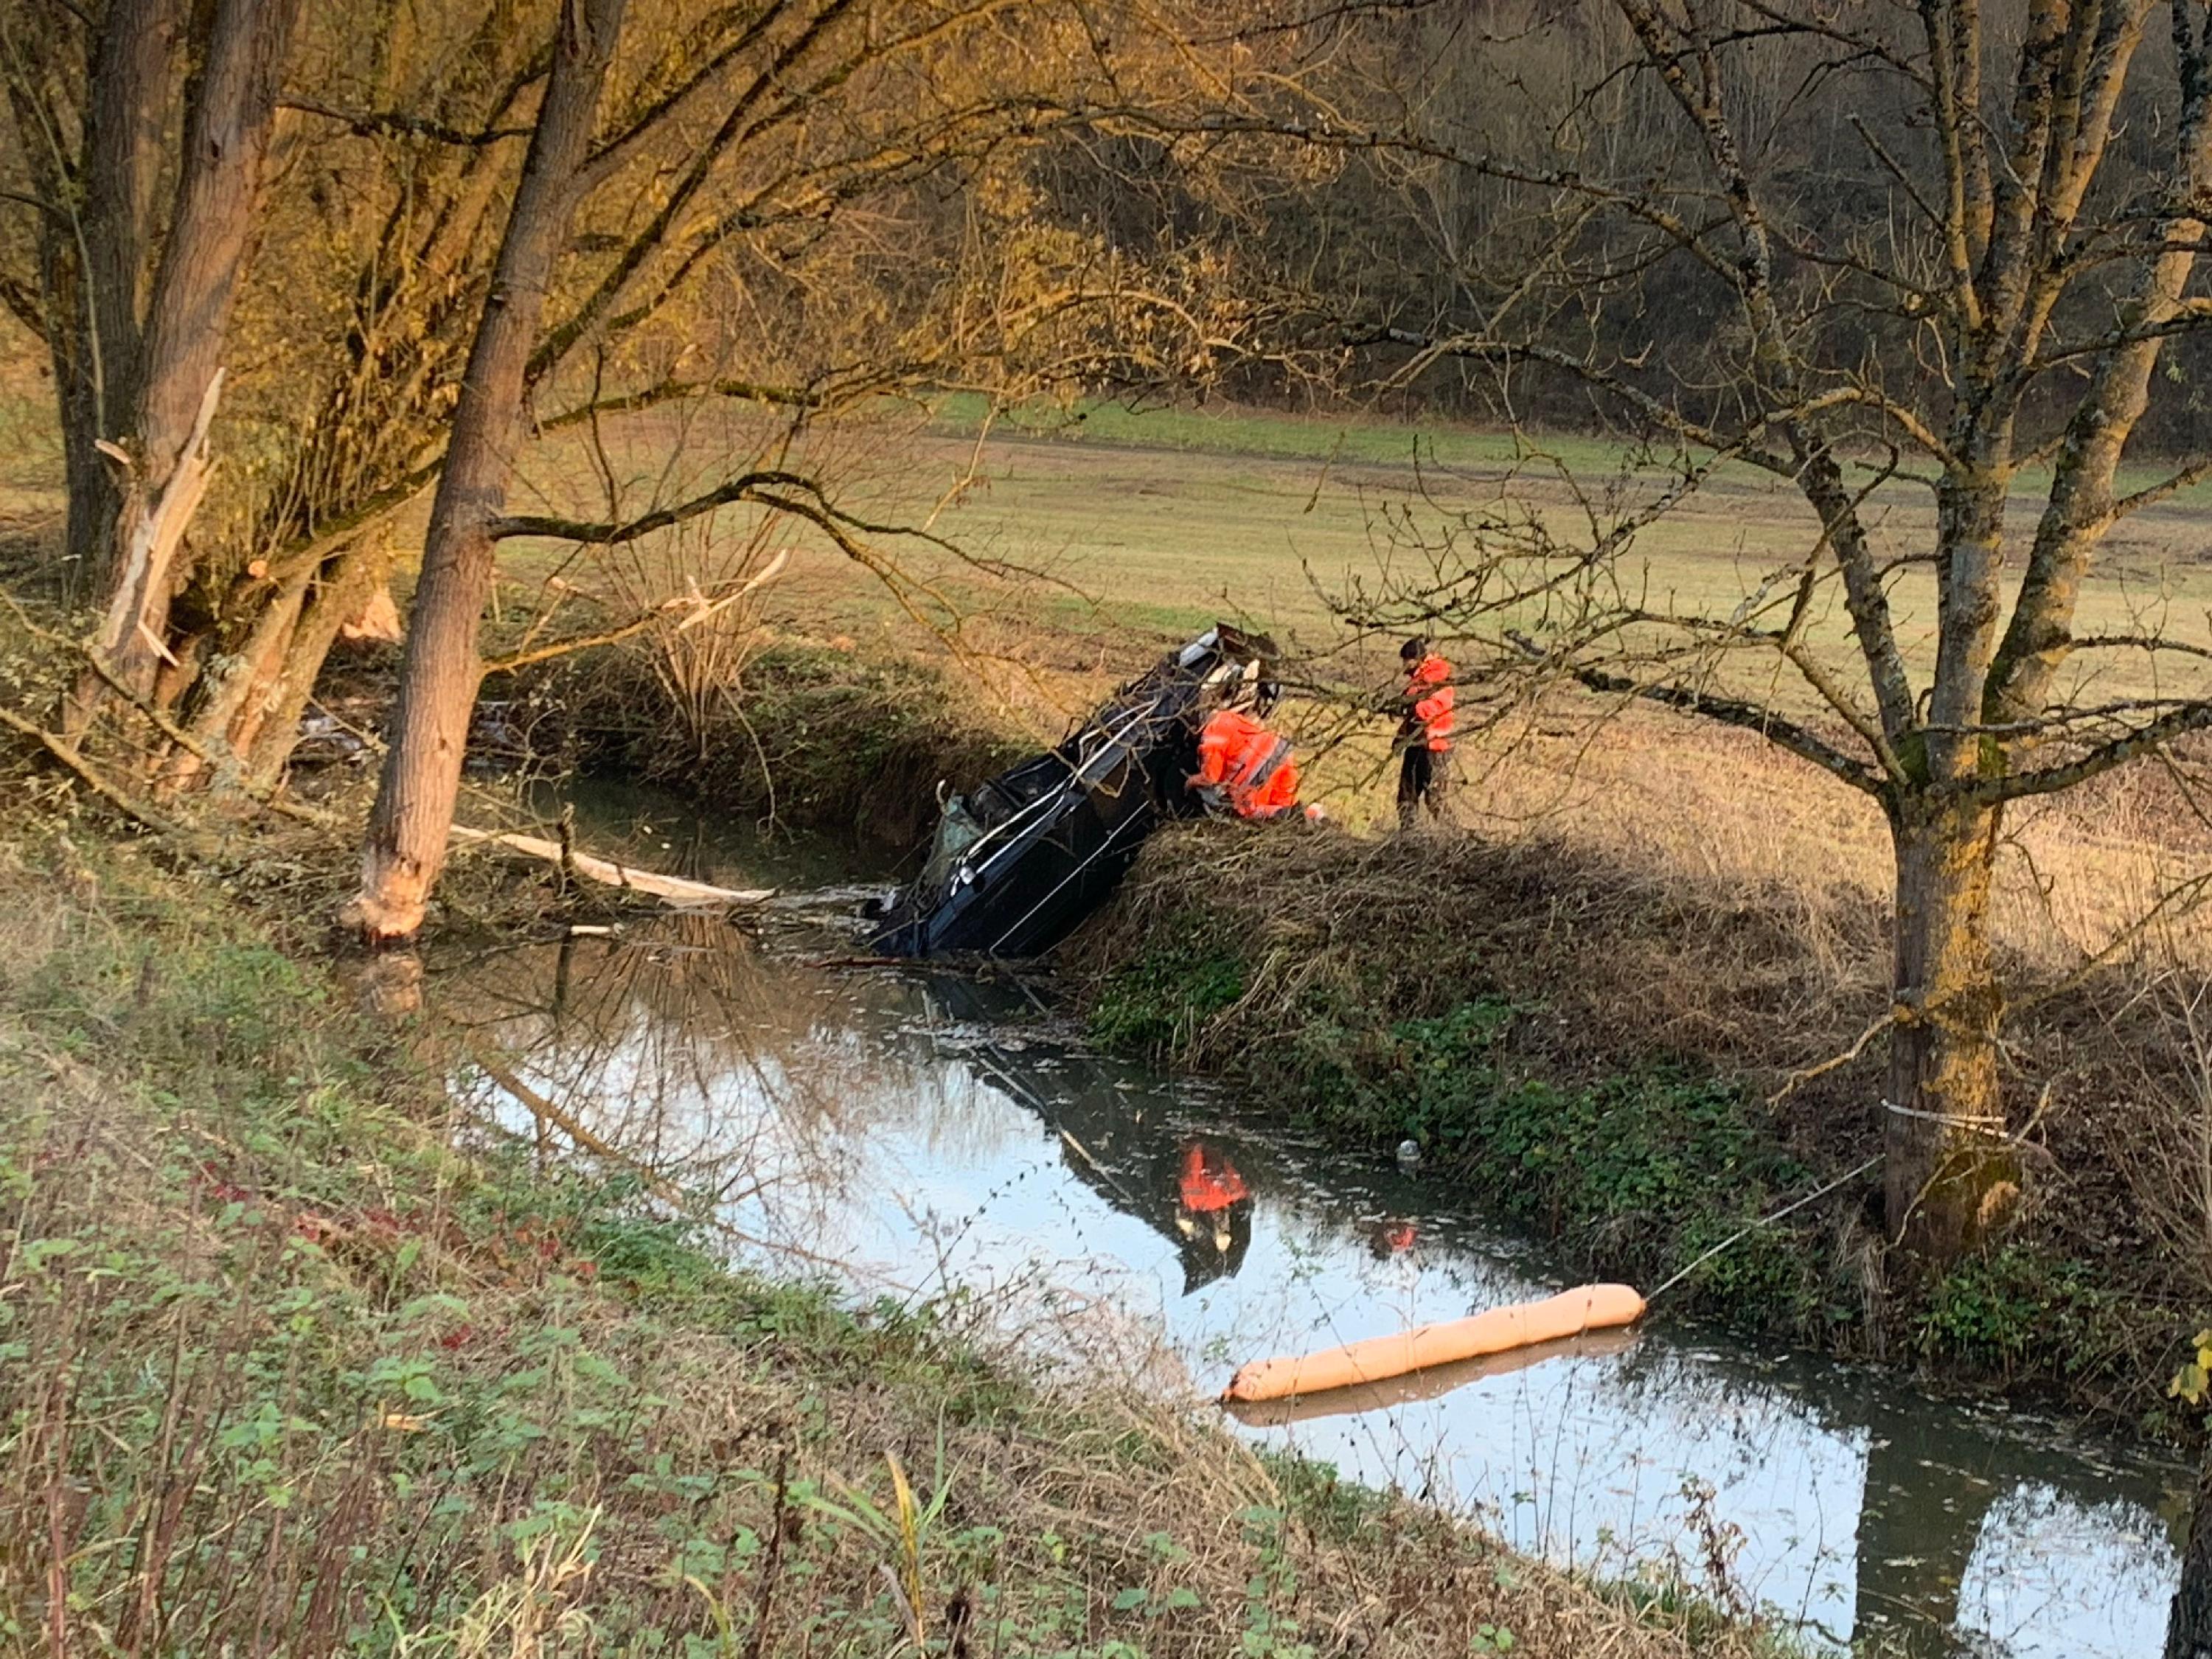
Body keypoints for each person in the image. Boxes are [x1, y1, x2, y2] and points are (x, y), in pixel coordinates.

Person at [1191, 684, 1307, 821]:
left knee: (1247, 811)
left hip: (1260, 765)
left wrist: (1191, 781)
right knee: (1285, 804)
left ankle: (1287, 816)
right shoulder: (1230, 717)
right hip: (1283, 753)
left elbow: (1211, 777)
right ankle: (1314, 815)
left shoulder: (1212, 734)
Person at [1394, 636, 1455, 829]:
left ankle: (1454, 838)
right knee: (1406, 797)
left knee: (1435, 799)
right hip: (1416, 744)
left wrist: (1410, 702)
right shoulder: (1419, 681)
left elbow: (1430, 710)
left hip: (1435, 747)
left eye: (1406, 661)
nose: (1404, 666)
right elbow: (1412, 716)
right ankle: (1408, 840)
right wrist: (1401, 737)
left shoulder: (1438, 678)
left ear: (1417, 659)